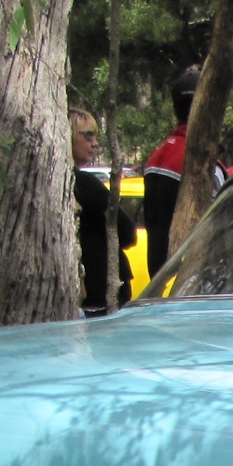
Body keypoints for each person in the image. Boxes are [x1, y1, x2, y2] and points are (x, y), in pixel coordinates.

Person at [71, 107, 138, 314]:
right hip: (99, 298)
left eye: (96, 136)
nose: (95, 144)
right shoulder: (82, 183)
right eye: (88, 135)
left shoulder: (78, 183)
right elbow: (127, 233)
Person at [139, 68, 201, 280]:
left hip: (159, 281)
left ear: (174, 111)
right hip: (189, 285)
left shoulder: (154, 158)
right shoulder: (201, 162)